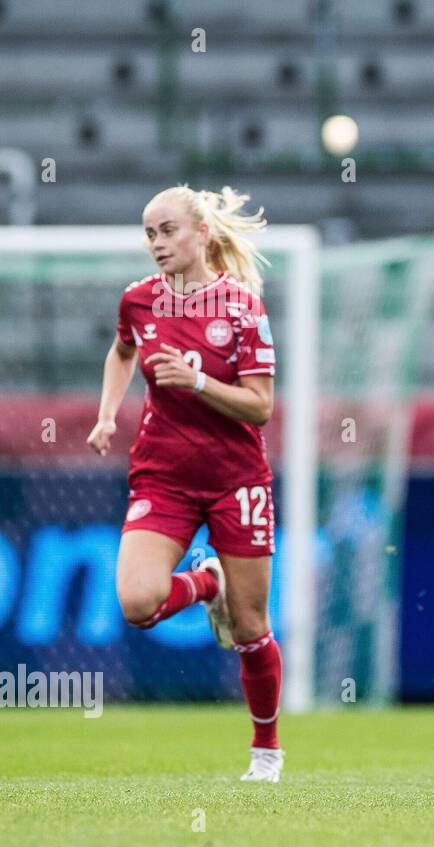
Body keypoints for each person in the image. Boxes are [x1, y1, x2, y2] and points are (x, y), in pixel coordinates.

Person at [86, 185, 286, 783]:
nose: (157, 243)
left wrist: (197, 381)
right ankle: (207, 582)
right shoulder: (138, 301)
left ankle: (266, 753)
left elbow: (260, 408)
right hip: (164, 475)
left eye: (167, 230)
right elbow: (122, 352)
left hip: (235, 478)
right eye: (149, 233)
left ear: (201, 234)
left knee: (251, 628)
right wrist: (106, 414)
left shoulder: (242, 306)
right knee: (137, 602)